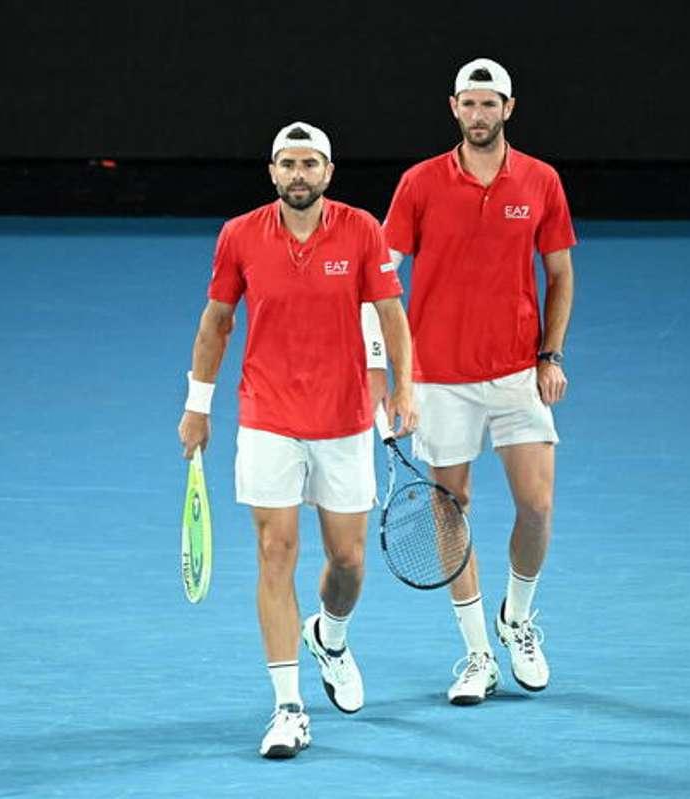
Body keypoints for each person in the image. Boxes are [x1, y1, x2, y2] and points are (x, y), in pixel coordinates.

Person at [178, 121, 416, 758]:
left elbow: (391, 316)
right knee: (274, 553)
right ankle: (288, 707)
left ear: (328, 173)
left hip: (342, 421)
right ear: (273, 172)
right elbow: (217, 322)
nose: (298, 175)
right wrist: (197, 405)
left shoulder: (363, 230)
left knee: (348, 562)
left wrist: (405, 389)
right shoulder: (239, 235)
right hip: (267, 417)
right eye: (288, 164)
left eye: (310, 164)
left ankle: (330, 637)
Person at [379, 58, 576, 704]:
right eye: (470, 103)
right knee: (448, 507)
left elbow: (560, 275)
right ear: (454, 108)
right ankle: (476, 655)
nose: (480, 114)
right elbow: (381, 283)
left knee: (537, 505)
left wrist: (551, 355)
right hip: (440, 379)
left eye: (491, 104)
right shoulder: (419, 183)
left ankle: (517, 619)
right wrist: (392, 377)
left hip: (519, 372)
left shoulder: (542, 181)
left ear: (509, 110)